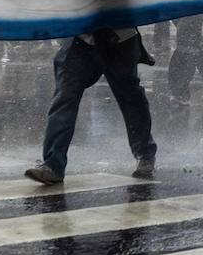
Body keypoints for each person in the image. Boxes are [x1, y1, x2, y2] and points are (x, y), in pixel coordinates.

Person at [25, 25, 157, 185]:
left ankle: (145, 154)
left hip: (119, 38)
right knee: (64, 97)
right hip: (81, 39)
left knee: (130, 98)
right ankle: (53, 165)